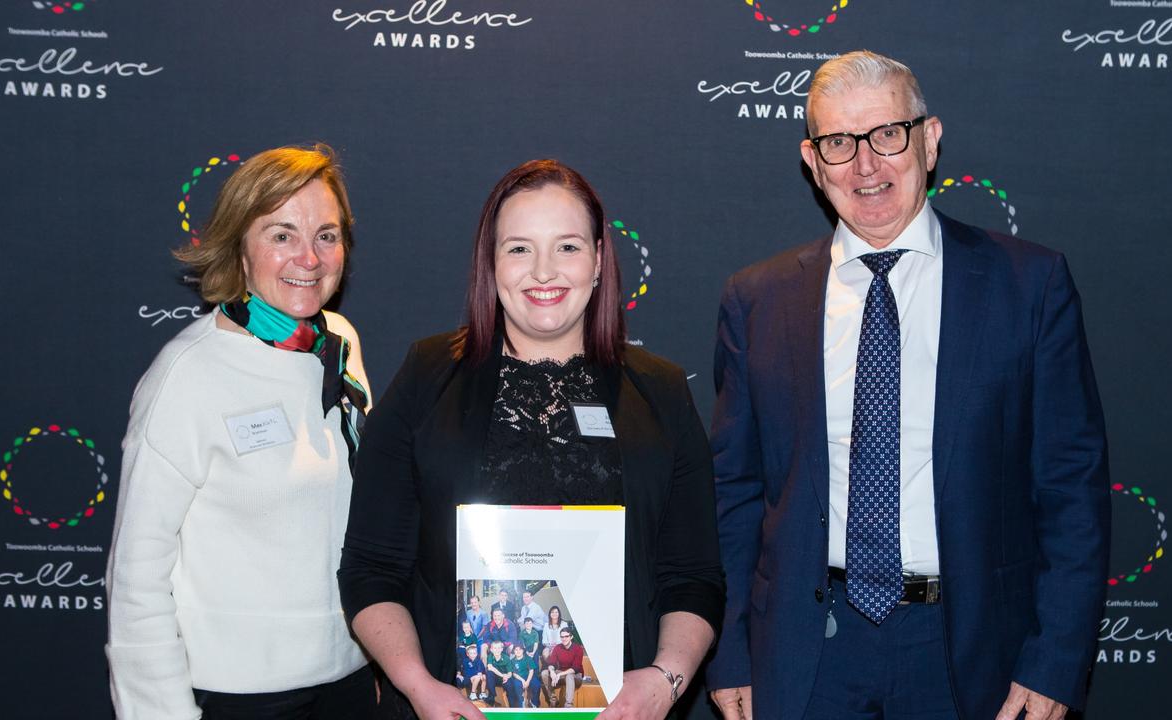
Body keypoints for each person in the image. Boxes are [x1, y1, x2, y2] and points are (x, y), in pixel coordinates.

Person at [705, 51, 1110, 720]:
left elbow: (1072, 492)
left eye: (888, 134)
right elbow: (734, 499)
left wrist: (1056, 663)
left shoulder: (1029, 287)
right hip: (804, 656)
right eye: (840, 143)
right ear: (813, 160)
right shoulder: (758, 300)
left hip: (973, 657)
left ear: (929, 139)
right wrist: (731, 652)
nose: (866, 165)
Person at [338, 159, 725, 720]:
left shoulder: (661, 392)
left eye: (567, 247)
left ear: (598, 262)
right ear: (490, 265)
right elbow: (371, 564)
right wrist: (416, 685)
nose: (544, 271)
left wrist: (665, 680)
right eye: (519, 248)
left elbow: (693, 574)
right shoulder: (427, 376)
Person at [104, 144, 378, 719]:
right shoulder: (187, 374)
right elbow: (136, 574)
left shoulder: (339, 344)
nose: (308, 257)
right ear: (239, 247)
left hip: (349, 680)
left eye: (326, 235)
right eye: (281, 235)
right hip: (240, 698)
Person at [543, 626, 587, 709]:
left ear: (571, 637)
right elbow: (551, 663)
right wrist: (552, 671)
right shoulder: (558, 647)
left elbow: (575, 668)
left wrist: (560, 674)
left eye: (566, 636)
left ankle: (568, 706)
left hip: (576, 676)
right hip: (561, 674)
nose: (564, 639)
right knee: (544, 673)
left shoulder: (578, 649)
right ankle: (553, 700)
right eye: (562, 637)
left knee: (569, 675)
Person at [508, 643, 542, 708]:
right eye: (516, 650)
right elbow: (514, 674)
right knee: (516, 685)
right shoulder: (512, 661)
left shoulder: (528, 658)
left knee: (537, 684)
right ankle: (521, 702)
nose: (518, 651)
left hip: (529, 676)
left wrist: (528, 681)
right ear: (514, 651)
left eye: (520, 650)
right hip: (519, 678)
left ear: (523, 650)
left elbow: (531, 671)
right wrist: (523, 680)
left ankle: (534, 702)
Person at [484, 640, 513, 707]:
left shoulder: (506, 658)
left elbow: (510, 673)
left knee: (510, 684)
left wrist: (506, 677)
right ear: (491, 650)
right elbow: (490, 667)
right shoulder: (490, 656)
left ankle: (512, 704)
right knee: (489, 673)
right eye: (495, 648)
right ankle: (492, 697)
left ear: (502, 649)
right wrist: (502, 675)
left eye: (499, 648)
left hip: (505, 679)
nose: (497, 650)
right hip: (496, 679)